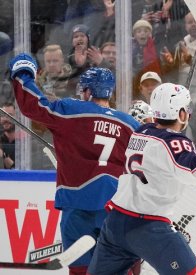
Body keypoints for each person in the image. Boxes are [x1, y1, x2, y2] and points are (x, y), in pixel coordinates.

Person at [87, 82, 196, 274]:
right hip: (147, 226)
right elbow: (195, 172)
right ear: (181, 114)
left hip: (115, 224)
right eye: (187, 110)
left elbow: (162, 147)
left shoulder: (141, 132)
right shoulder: (174, 141)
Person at [9, 54, 140, 275]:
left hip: (78, 205)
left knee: (80, 270)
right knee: (122, 268)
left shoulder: (71, 110)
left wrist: (23, 73)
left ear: (88, 91)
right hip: (117, 207)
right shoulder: (130, 125)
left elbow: (34, 106)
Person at [0, 102, 15, 169]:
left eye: (10, 115)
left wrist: (3, 155)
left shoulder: (24, 143)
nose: (5, 119)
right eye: (3, 115)